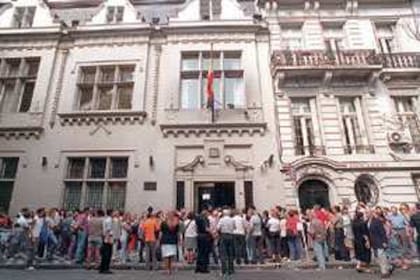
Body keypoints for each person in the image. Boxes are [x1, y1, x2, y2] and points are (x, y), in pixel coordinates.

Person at [370, 207, 392, 279]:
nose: (368, 214)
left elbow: (382, 232)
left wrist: (384, 241)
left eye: (370, 213)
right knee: (377, 257)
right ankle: (389, 267)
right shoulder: (370, 221)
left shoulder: (378, 221)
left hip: (380, 241)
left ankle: (384, 272)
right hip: (373, 242)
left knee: (381, 257)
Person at [218, 208, 235, 280]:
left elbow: (218, 228)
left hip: (223, 235)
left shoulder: (221, 220)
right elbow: (234, 227)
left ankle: (224, 270)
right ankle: (231, 269)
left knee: (223, 254)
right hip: (231, 236)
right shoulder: (232, 220)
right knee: (230, 253)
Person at [195, 209, 211, 273]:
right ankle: (204, 268)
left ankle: (198, 267)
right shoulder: (205, 219)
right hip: (205, 237)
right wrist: (212, 232)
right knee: (205, 253)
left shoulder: (198, 219)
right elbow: (206, 228)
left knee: (200, 252)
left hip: (199, 236)